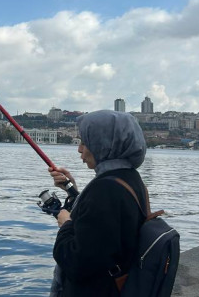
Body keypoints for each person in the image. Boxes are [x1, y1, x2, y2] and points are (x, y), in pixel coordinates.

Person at [48, 110, 148, 297]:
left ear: (105, 144)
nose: (79, 149)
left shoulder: (105, 190)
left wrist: (65, 225)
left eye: (85, 142)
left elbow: (77, 264)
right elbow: (101, 229)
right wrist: (72, 191)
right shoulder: (129, 179)